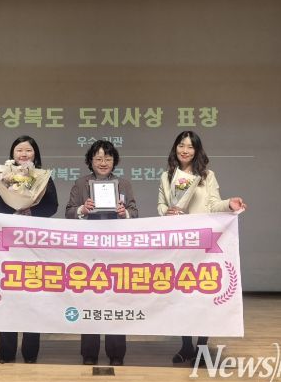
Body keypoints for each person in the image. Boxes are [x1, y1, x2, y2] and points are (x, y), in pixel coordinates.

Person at [157, 131, 246, 365]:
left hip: (203, 243)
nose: (185, 150)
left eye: (190, 146)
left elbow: (213, 204)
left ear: (196, 151)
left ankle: (202, 347)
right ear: (175, 148)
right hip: (179, 241)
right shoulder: (166, 176)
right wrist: (166, 211)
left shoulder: (207, 176)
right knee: (181, 294)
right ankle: (186, 346)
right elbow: (161, 205)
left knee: (204, 295)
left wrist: (229, 204)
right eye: (181, 145)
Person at [0, 135, 58, 364]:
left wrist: (30, 211)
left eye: (28, 150)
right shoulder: (0, 177)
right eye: (19, 150)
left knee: (33, 295)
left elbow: (52, 206)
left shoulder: (43, 178)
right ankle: (6, 353)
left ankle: (30, 352)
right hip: (6, 245)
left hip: (33, 243)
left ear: (35, 154)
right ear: (13, 154)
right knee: (7, 295)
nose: (23, 154)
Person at [65, 140, 138, 366]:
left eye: (107, 158)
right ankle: (89, 353)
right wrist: (82, 209)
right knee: (90, 300)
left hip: (117, 250)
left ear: (114, 161)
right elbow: (68, 212)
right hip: (89, 250)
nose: (103, 162)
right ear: (90, 161)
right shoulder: (81, 183)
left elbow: (135, 213)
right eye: (98, 158)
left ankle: (117, 353)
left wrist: (125, 213)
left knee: (116, 300)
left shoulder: (124, 184)